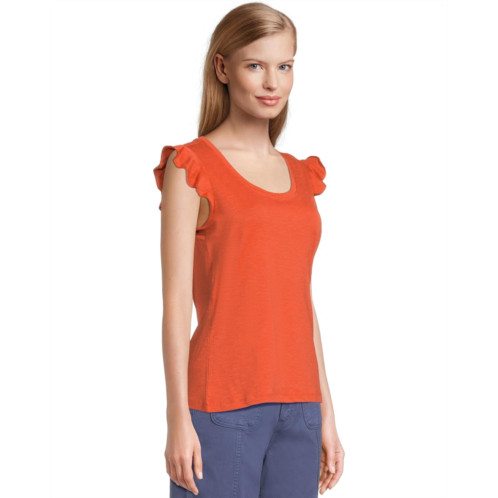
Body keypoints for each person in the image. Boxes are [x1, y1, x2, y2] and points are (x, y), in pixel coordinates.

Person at [153, 3, 345, 496]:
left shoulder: (301, 174)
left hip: (300, 409)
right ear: (223, 68)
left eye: (285, 66)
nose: (272, 83)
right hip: (221, 406)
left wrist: (326, 411)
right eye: (255, 65)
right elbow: (175, 305)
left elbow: (299, 301)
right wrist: (177, 418)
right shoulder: (191, 168)